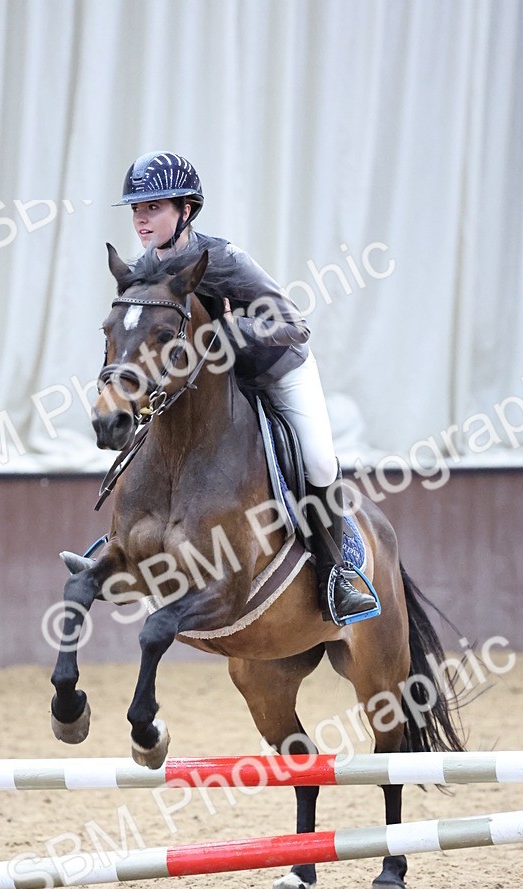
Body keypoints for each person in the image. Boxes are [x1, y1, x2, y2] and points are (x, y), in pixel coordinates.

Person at [115, 150, 378, 622]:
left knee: (318, 460)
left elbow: (294, 323)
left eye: (153, 207)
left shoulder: (227, 260)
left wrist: (230, 335)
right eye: (137, 208)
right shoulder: (145, 268)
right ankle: (122, 543)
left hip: (279, 368)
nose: (141, 218)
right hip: (219, 385)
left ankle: (335, 574)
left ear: (186, 211)